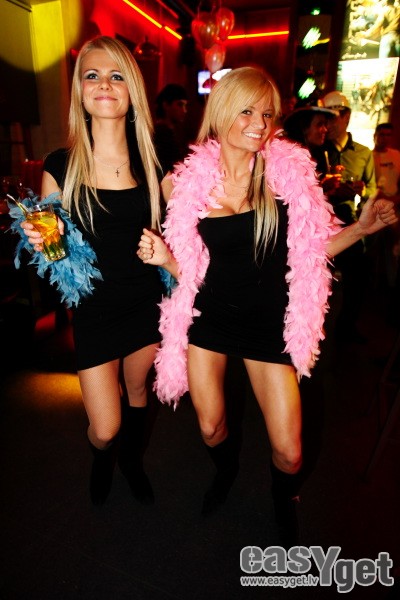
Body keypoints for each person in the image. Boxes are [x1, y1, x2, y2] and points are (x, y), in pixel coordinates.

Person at [137, 67, 397, 544]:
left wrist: (361, 229)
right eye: (247, 111)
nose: (260, 124)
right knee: (211, 427)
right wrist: (164, 257)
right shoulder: (183, 182)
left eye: (268, 114)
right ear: (221, 112)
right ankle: (225, 470)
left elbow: (311, 249)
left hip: (269, 324)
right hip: (209, 318)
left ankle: (284, 497)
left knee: (290, 452)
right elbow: (189, 268)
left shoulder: (286, 173)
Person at [21, 36, 164, 507]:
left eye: (117, 75)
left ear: (132, 91)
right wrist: (45, 244)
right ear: (80, 91)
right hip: (95, 311)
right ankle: (105, 456)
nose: (104, 83)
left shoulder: (155, 164)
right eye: (92, 75)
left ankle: (132, 462)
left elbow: (188, 237)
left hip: (146, 303)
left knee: (139, 391)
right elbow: (57, 260)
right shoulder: (59, 166)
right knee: (105, 428)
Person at [321, 90, 377, 342]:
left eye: (333, 117)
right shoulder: (317, 149)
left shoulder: (363, 152)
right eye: (325, 119)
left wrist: (362, 191)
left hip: (349, 219)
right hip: (321, 224)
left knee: (358, 276)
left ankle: (346, 328)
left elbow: (372, 190)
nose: (328, 125)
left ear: (346, 117)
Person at [371, 122, 400, 293]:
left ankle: (391, 284)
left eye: (388, 135)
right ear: (375, 136)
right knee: (374, 246)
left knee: (393, 246)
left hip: (395, 206)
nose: (385, 138)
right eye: (382, 134)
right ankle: (372, 283)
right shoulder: (369, 156)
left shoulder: (396, 155)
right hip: (375, 206)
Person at [154, 83, 189, 174]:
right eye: (180, 104)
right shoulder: (160, 134)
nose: (184, 110)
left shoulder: (172, 132)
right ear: (166, 105)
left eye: (185, 106)